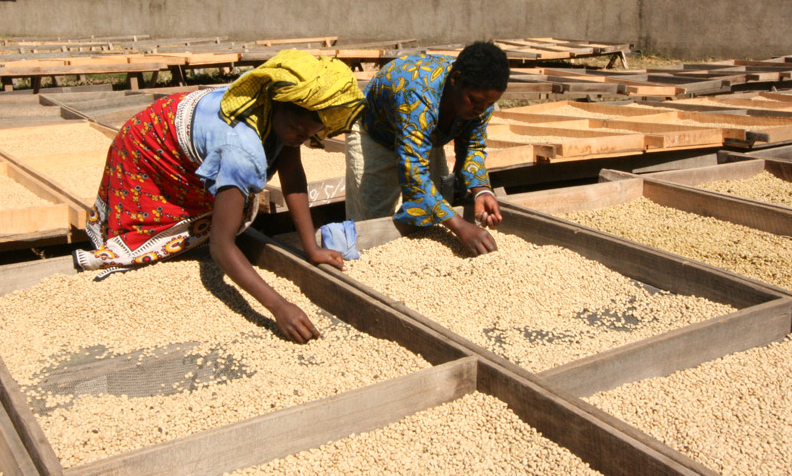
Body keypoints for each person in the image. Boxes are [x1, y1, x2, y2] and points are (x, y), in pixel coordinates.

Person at [75, 49, 364, 343]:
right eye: (296, 129)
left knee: (226, 207)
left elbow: (293, 176)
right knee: (155, 227)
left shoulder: (279, 114)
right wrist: (278, 306)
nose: (300, 137)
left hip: (179, 122)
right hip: (148, 144)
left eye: (308, 134)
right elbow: (221, 247)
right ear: (277, 104)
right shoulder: (241, 148)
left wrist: (311, 248)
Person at [345, 41, 510, 254]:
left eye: (489, 104)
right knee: (374, 221)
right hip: (376, 132)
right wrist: (460, 227)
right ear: (455, 79)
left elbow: (473, 145)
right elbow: (414, 175)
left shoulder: (481, 100)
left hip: (425, 134)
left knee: (436, 208)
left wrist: (481, 191)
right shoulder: (417, 94)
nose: (481, 110)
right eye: (475, 101)